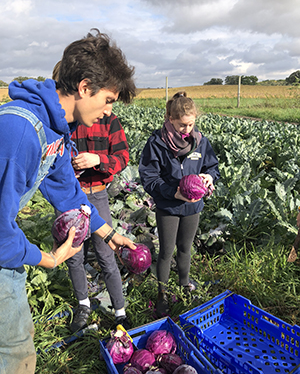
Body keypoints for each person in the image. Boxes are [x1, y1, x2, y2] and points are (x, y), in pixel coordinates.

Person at [0, 29, 136, 374]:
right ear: (85, 87)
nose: (109, 111)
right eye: (107, 99)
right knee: (13, 351)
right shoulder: (19, 131)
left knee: (16, 344)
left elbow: (69, 195)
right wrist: (45, 258)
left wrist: (109, 234)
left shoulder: (56, 129)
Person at [52, 60, 131, 331]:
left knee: (105, 252)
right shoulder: (64, 122)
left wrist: (97, 158)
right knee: (74, 254)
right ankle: (83, 305)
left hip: (97, 194)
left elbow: (122, 158)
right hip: (70, 195)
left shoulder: (109, 120)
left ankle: (120, 310)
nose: (106, 109)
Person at [138, 91, 220, 318]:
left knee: (186, 248)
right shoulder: (156, 143)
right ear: (170, 120)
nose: (187, 130)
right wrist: (173, 192)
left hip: (193, 206)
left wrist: (209, 177)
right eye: (182, 125)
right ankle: (162, 293)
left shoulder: (201, 142)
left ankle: (185, 284)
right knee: (166, 251)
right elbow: (149, 177)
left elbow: (212, 167)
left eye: (191, 125)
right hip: (168, 206)